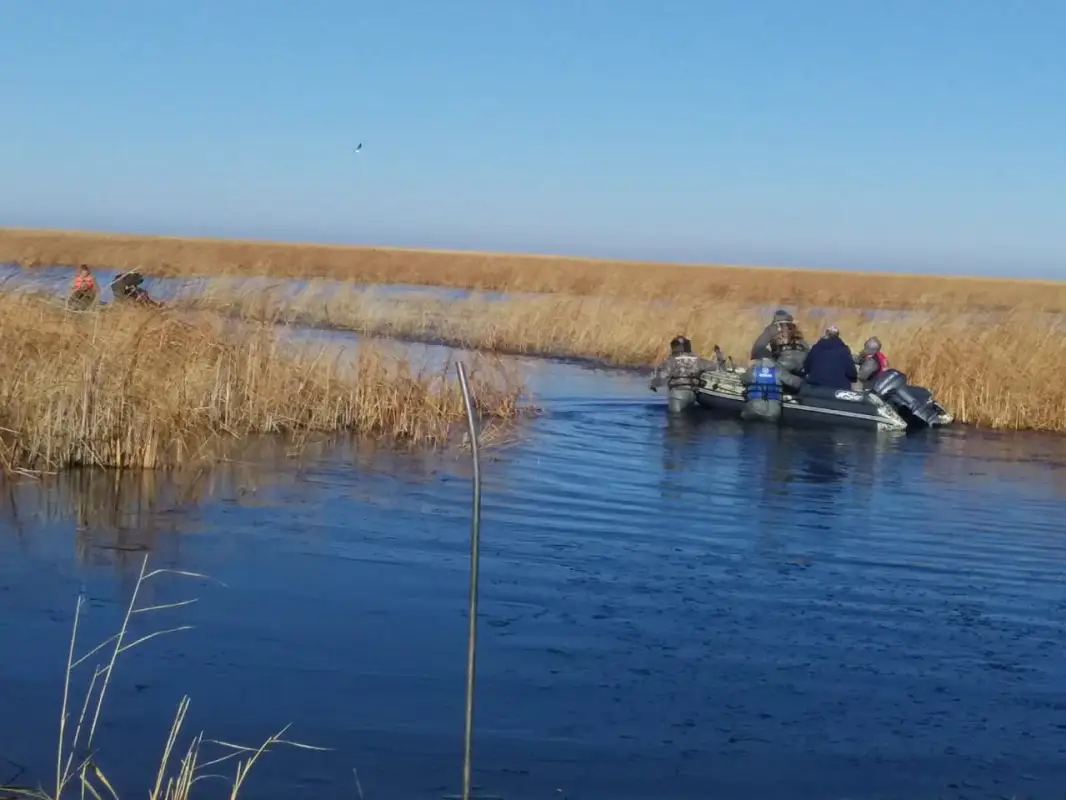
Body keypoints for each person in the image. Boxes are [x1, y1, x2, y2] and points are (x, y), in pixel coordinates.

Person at [740, 327, 805, 423]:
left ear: (758, 358)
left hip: (753, 411)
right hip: (773, 414)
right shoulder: (778, 369)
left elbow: (743, 379)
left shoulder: (753, 370)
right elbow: (795, 383)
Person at [650, 335, 717, 412]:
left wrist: (653, 384)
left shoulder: (672, 360)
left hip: (677, 395)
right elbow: (714, 367)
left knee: (677, 419)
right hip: (693, 395)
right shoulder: (697, 359)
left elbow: (663, 375)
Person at [801, 324, 857, 390]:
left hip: (815, 386)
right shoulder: (843, 350)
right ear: (838, 336)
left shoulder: (816, 348)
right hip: (838, 388)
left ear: (826, 334)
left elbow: (807, 368)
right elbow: (851, 372)